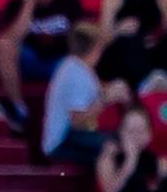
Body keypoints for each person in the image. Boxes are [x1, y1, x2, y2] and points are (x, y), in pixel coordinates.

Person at [0, 0, 82, 137]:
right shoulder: (16, 6)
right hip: (31, 59)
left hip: (61, 61)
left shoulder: (68, 0)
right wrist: (28, 4)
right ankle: (18, 110)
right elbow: (11, 40)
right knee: (2, 44)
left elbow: (82, 37)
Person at [41, 23, 126, 165]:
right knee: (116, 147)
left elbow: (94, 90)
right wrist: (106, 99)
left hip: (73, 136)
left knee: (123, 139)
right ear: (96, 47)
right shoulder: (75, 74)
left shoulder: (77, 66)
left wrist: (114, 90)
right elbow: (77, 120)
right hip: (62, 142)